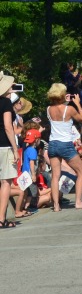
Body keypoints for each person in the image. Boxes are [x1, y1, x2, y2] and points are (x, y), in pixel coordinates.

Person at [46, 83, 82, 211]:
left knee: (55, 175)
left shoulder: (48, 109)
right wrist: (78, 103)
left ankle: (56, 205)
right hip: (65, 144)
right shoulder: (68, 109)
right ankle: (78, 201)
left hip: (52, 143)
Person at [0, 73, 20, 227]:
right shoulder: (5, 103)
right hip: (4, 145)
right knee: (5, 182)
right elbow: (8, 126)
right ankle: (1, 218)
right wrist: (15, 147)